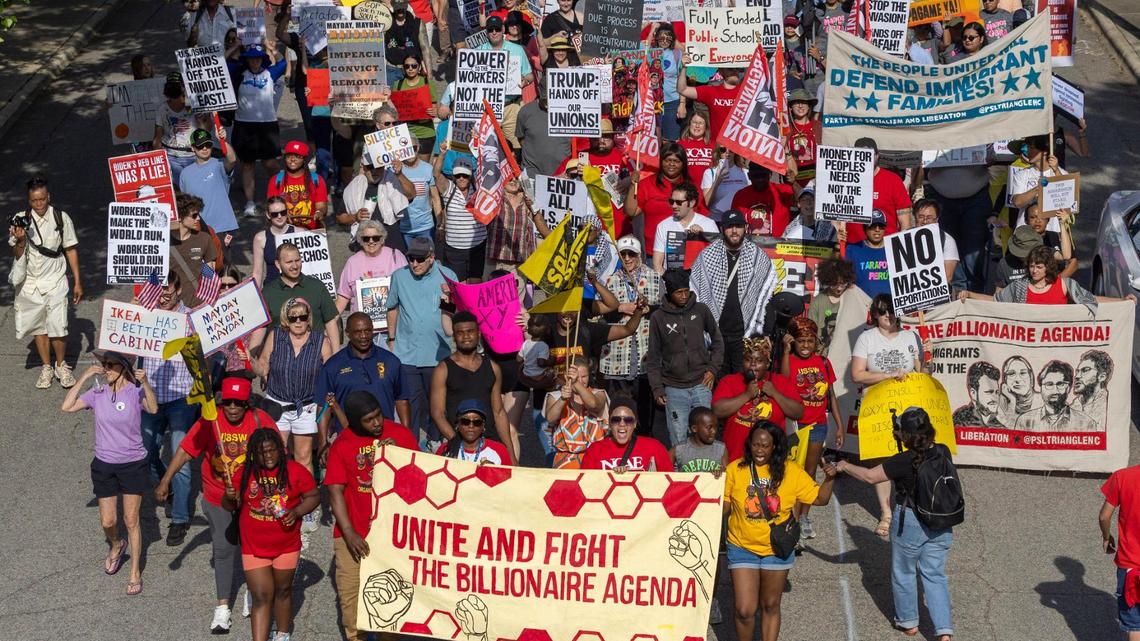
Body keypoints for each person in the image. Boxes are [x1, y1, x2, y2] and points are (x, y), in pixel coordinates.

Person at [155, 377, 280, 634]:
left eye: (238, 403)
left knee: (253, 547)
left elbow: (277, 456)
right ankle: (223, 607)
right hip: (216, 496)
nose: (232, 408)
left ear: (247, 404)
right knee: (223, 549)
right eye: (227, 403)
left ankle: (252, 592)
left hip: (252, 497)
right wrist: (166, 479)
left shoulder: (261, 421)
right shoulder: (211, 419)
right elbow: (186, 450)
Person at [837, 407, 954, 641]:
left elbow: (870, 476)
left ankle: (909, 622)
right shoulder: (943, 451)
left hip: (910, 522)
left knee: (904, 572)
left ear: (905, 435)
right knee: (934, 575)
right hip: (941, 522)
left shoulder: (903, 460)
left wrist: (845, 466)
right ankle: (943, 630)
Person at [724, 421, 837, 641]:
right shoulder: (735, 469)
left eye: (765, 446)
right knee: (744, 610)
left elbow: (821, 499)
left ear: (775, 447)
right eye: (755, 444)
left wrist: (830, 478)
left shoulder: (791, 471)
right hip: (741, 546)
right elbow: (723, 508)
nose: (759, 450)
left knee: (770, 605)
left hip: (777, 548)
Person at [60, 351, 157, 596]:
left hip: (133, 464)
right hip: (104, 464)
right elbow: (67, 406)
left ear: (123, 367)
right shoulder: (98, 393)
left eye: (110, 365)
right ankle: (116, 544)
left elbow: (153, 409)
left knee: (131, 520)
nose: (106, 369)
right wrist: (84, 375)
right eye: (104, 365)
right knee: (108, 521)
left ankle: (135, 571)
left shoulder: (134, 393)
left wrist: (144, 382)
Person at [325, 390, 418, 641]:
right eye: (369, 420)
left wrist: (401, 458)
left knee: (390, 605)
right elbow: (335, 490)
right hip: (352, 535)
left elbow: (422, 481)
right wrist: (349, 533)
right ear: (355, 422)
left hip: (392, 535)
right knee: (352, 604)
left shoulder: (401, 435)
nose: (377, 423)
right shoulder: (343, 444)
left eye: (378, 416)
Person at [222, 429, 319, 641]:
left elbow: (313, 496)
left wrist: (297, 512)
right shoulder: (243, 473)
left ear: (281, 450)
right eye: (261, 452)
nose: (267, 456)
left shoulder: (295, 471)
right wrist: (229, 497)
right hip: (254, 546)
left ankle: (282, 634)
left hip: (287, 545)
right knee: (261, 596)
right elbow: (229, 505)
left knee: (283, 591)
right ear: (253, 455)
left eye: (271, 451)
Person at [851, 294, 926, 537]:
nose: (888, 316)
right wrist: (886, 376)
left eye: (892, 311)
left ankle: (911, 505)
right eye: (882, 312)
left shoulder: (910, 337)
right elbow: (857, 375)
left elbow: (921, 372)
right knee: (881, 458)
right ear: (875, 315)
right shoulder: (866, 338)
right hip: (877, 405)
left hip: (908, 405)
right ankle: (886, 512)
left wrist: (927, 361)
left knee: (911, 456)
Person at [135, 273, 198, 546]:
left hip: (182, 398)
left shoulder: (190, 319)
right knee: (144, 454)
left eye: (168, 289)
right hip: (150, 398)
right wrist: (131, 315)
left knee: (181, 456)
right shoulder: (145, 315)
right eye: (158, 290)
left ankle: (180, 518)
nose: (163, 294)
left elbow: (206, 350)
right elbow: (123, 345)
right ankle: (166, 483)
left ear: (179, 289)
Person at [386, 237, 459, 447]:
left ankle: (436, 441)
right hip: (407, 352)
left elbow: (455, 312)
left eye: (419, 259)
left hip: (437, 353)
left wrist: (450, 300)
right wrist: (391, 339)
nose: (414, 264)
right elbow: (392, 307)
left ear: (432, 258)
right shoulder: (399, 276)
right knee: (410, 404)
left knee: (438, 404)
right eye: (411, 259)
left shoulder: (448, 276)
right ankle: (411, 445)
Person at [9, 177, 81, 389]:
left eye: (42, 199)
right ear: (29, 200)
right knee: (39, 326)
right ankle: (47, 366)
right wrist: (21, 240)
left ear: (48, 196)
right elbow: (17, 252)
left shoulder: (61, 217)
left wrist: (77, 281)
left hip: (56, 279)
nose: (39, 204)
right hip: (30, 282)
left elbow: (70, 249)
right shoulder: (20, 219)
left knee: (59, 325)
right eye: (34, 200)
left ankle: (61, 365)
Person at [252, 297, 333, 484]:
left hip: (306, 407)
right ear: (285, 319)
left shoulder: (321, 341)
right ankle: (278, 498)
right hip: (277, 404)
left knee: (303, 457)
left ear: (309, 318)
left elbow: (330, 374)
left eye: (302, 317)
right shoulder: (276, 335)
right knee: (276, 454)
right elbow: (263, 367)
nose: (298, 321)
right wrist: (250, 361)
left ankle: (308, 502)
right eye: (293, 318)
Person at [690, 210, 778, 375]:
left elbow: (766, 299)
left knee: (744, 381)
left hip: (745, 334)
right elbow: (696, 294)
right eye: (730, 227)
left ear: (745, 228)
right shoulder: (707, 255)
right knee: (718, 383)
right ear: (723, 229)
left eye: (738, 226)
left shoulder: (758, 257)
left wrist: (766, 331)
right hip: (716, 333)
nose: (735, 231)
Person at [646, 269, 724, 448]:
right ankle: (679, 474)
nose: (683, 296)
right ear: (669, 293)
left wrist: (712, 369)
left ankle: (704, 472)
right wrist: (657, 388)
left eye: (685, 291)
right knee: (678, 439)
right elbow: (653, 357)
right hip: (674, 388)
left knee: (705, 435)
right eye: (678, 293)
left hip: (702, 383)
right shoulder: (658, 317)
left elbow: (718, 342)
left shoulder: (701, 310)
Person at [779, 317, 841, 539]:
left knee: (809, 472)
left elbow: (830, 396)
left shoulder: (823, 362)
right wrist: (785, 351)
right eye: (800, 341)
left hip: (818, 426)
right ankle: (788, 515)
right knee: (789, 470)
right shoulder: (788, 361)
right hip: (795, 425)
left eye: (809, 341)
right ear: (793, 341)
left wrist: (840, 426)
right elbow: (784, 381)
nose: (805, 345)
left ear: (816, 342)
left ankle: (803, 516)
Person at [597, 235, 664, 437]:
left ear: (640, 255)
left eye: (631, 254)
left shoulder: (654, 278)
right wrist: (619, 308)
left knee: (644, 413)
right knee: (619, 411)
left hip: (645, 354)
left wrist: (647, 308)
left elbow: (664, 310)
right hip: (617, 355)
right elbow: (597, 313)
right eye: (623, 254)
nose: (627, 258)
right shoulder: (608, 280)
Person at [431, 311, 517, 461]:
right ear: (454, 337)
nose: (466, 337)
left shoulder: (493, 367)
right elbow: (437, 413)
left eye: (470, 331)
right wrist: (455, 440)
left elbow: (499, 411)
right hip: (459, 444)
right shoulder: (443, 369)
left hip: (490, 442)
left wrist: (510, 453)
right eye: (460, 333)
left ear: (479, 334)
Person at [963, 245, 1129, 314]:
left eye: (1039, 267)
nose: (1034, 271)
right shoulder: (1020, 286)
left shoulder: (1065, 284)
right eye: (1031, 266)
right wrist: (971, 295)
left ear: (1048, 267)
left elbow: (1092, 300)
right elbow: (995, 300)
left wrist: (1122, 301)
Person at [713, 337, 803, 463]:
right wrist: (747, 395)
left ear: (767, 363)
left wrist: (775, 394)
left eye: (759, 360)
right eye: (748, 360)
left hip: (771, 462)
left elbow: (798, 413)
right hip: (735, 460)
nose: (753, 364)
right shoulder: (729, 381)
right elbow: (717, 410)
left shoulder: (780, 382)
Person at [231, 44, 287, 218]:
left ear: (262, 58)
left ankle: (281, 192)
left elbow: (283, 63)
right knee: (247, 165)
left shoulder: (270, 72)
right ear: (246, 59)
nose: (254, 61)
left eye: (257, 57)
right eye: (251, 58)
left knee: (269, 163)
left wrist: (272, 48)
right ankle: (250, 202)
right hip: (244, 125)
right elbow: (223, 63)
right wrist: (235, 46)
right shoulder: (239, 73)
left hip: (267, 125)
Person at [258, 242, 340, 350]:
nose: (295, 266)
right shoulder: (268, 292)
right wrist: (253, 355)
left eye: (297, 260)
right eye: (289, 262)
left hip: (315, 353)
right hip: (281, 357)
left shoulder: (317, 286)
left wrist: (336, 354)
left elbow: (330, 322)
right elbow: (260, 329)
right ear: (278, 264)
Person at [630, 143, 706, 254]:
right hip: (655, 250)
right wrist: (633, 185)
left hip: (686, 250)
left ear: (683, 164)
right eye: (667, 160)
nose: (671, 164)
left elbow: (703, 215)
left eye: (676, 161)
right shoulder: (647, 184)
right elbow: (631, 212)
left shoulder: (692, 186)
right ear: (661, 161)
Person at [1098, 462, 1140, 641]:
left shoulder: (1123, 477)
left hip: (1130, 565)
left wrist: (1107, 537)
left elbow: (1104, 516)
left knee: (1135, 625)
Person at [842, 138, 912, 244]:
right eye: (861, 154)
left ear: (877, 155)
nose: (866, 158)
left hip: (885, 248)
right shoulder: (845, 180)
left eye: (869, 154)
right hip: (854, 247)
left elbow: (905, 222)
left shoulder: (893, 180)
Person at [544, 360, 609, 469]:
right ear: (566, 376)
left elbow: (593, 404)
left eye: (584, 376)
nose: (580, 380)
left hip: (596, 457)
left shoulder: (598, 393)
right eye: (576, 377)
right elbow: (550, 418)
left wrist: (575, 383)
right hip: (566, 459)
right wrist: (562, 399)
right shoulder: (555, 396)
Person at [432, 155, 486, 282]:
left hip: (477, 246)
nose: (461, 178)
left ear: (471, 175)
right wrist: (442, 154)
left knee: (475, 284)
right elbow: (436, 174)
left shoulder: (479, 189)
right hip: (454, 249)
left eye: (465, 175)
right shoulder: (449, 188)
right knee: (459, 287)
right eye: (458, 175)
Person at [336, 220, 409, 313]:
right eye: (366, 238)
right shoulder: (352, 262)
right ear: (360, 240)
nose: (371, 241)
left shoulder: (396, 256)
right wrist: (331, 322)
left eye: (375, 238)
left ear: (382, 239)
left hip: (393, 322)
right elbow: (343, 296)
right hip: (362, 324)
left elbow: (408, 288)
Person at [582, 397, 673, 471]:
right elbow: (585, 486)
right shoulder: (595, 450)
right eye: (616, 420)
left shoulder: (654, 447)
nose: (622, 424)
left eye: (628, 420)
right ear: (609, 423)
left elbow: (669, 484)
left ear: (635, 423)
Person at [180, 127, 239, 235]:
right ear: (193, 148)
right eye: (200, 146)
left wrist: (222, 141)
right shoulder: (185, 173)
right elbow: (185, 203)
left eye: (208, 145)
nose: (204, 148)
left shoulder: (219, 164)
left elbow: (232, 159)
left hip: (222, 227)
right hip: (198, 228)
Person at [1012, 361, 1098, 432]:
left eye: (1060, 384)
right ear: (1041, 389)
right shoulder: (1024, 421)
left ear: (1068, 388)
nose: (1055, 390)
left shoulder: (1087, 423)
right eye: (1049, 384)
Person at [169, 193, 222, 307]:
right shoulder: (163, 242)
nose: (198, 218)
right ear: (180, 217)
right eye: (194, 215)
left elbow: (210, 276)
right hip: (171, 307)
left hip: (198, 305)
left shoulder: (204, 239)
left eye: (198, 214)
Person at [652, 183, 717, 273]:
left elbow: (717, 258)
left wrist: (703, 237)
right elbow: (657, 264)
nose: (674, 206)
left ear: (692, 203)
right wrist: (668, 281)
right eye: (671, 201)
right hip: (672, 283)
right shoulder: (663, 226)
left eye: (679, 202)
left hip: (700, 282)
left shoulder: (709, 224)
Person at [266, 140, 330, 230]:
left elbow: (321, 206)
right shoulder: (276, 180)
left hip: (311, 231)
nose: (292, 159)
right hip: (284, 231)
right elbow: (271, 207)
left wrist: (319, 212)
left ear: (304, 159)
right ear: (285, 158)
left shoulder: (317, 180)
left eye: (297, 156)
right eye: (289, 156)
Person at [515, 80, 572, 178]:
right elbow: (521, 138)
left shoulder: (570, 111)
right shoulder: (525, 112)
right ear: (539, 91)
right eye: (545, 99)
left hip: (562, 173)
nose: (548, 103)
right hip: (533, 173)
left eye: (552, 99)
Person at [153, 73, 201, 185]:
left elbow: (206, 130)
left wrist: (201, 118)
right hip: (171, 156)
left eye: (178, 88)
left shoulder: (194, 106)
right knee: (178, 190)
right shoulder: (162, 109)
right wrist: (157, 161)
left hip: (192, 155)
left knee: (193, 189)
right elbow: (157, 138)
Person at [436, 399, 514, 464]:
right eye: (465, 421)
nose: (471, 426)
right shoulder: (445, 450)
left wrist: (493, 471)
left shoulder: (499, 450)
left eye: (477, 422)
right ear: (457, 424)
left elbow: (509, 480)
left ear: (483, 426)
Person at [677, 63, 742, 141]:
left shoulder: (748, 91)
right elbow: (682, 89)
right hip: (718, 145)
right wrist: (684, 67)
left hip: (742, 147)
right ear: (721, 71)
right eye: (730, 69)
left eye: (737, 68)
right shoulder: (712, 91)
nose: (735, 71)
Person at [392, 53, 439, 155]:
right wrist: (387, 98)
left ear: (419, 67)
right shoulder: (397, 84)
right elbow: (393, 110)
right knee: (406, 167)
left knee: (423, 168)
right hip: (404, 133)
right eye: (407, 66)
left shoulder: (427, 83)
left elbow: (435, 107)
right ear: (403, 68)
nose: (410, 69)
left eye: (414, 66)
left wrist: (435, 111)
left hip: (425, 132)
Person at [731, 164, 797, 237]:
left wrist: (794, 183)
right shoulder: (740, 196)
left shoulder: (782, 191)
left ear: (770, 175)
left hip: (777, 245)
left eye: (763, 175)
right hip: (748, 245)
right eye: (756, 176)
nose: (760, 179)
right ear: (749, 176)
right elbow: (733, 223)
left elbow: (801, 202)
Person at [806, 257, 856, 354]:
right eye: (834, 284)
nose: (839, 289)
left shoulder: (852, 298)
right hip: (821, 353)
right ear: (827, 282)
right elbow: (810, 330)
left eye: (843, 284)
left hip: (845, 354)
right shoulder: (818, 301)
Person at [911, 199, 960, 289]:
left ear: (937, 219)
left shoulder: (947, 240)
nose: (925, 221)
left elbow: (948, 276)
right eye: (921, 217)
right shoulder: (904, 238)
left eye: (929, 218)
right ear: (915, 217)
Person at [842, 209, 891, 298]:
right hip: (862, 306)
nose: (877, 230)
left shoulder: (894, 249)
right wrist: (839, 243)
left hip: (889, 307)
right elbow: (842, 277)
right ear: (865, 228)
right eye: (872, 226)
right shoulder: (852, 250)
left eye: (881, 226)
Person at [251, 196, 296, 288]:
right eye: (275, 214)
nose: (279, 216)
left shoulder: (300, 233)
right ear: (268, 215)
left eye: (283, 213)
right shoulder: (260, 238)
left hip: (296, 286)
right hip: (272, 287)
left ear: (287, 212)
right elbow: (257, 272)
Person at [672, 406, 728, 474]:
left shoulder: (720, 449)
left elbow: (727, 476)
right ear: (694, 428)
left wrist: (720, 472)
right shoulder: (678, 450)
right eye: (709, 427)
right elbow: (662, 474)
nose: (714, 431)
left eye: (715, 426)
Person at [702, 150, 750, 221]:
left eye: (731, 150)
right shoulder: (710, 172)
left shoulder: (745, 173)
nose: (727, 152)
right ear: (718, 151)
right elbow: (707, 203)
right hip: (718, 220)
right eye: (723, 150)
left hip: (739, 221)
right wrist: (717, 180)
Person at [951, 362, 1003, 427]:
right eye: (989, 392)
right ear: (973, 393)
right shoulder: (961, 418)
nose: (995, 397)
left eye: (997, 392)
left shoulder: (1003, 421)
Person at [786, 89, 819, 187]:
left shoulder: (818, 126)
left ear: (809, 107)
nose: (800, 106)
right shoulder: (785, 129)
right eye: (796, 103)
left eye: (804, 103)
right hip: (792, 180)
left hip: (816, 180)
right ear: (791, 107)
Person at [996, 355, 1040, 427]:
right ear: (1005, 380)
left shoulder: (1044, 401)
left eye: (1023, 373)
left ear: (1031, 378)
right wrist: (1012, 402)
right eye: (1011, 374)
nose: (1018, 379)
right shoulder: (998, 404)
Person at [1072, 349, 1111, 428]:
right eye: (1077, 372)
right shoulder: (1075, 405)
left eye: (1085, 370)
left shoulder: (1109, 405)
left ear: (1101, 377)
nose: (1077, 376)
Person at [677, 110, 714, 186]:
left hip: (708, 192)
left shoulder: (713, 145)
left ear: (706, 126)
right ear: (689, 124)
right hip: (686, 191)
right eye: (694, 122)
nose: (697, 126)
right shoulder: (679, 145)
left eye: (701, 123)